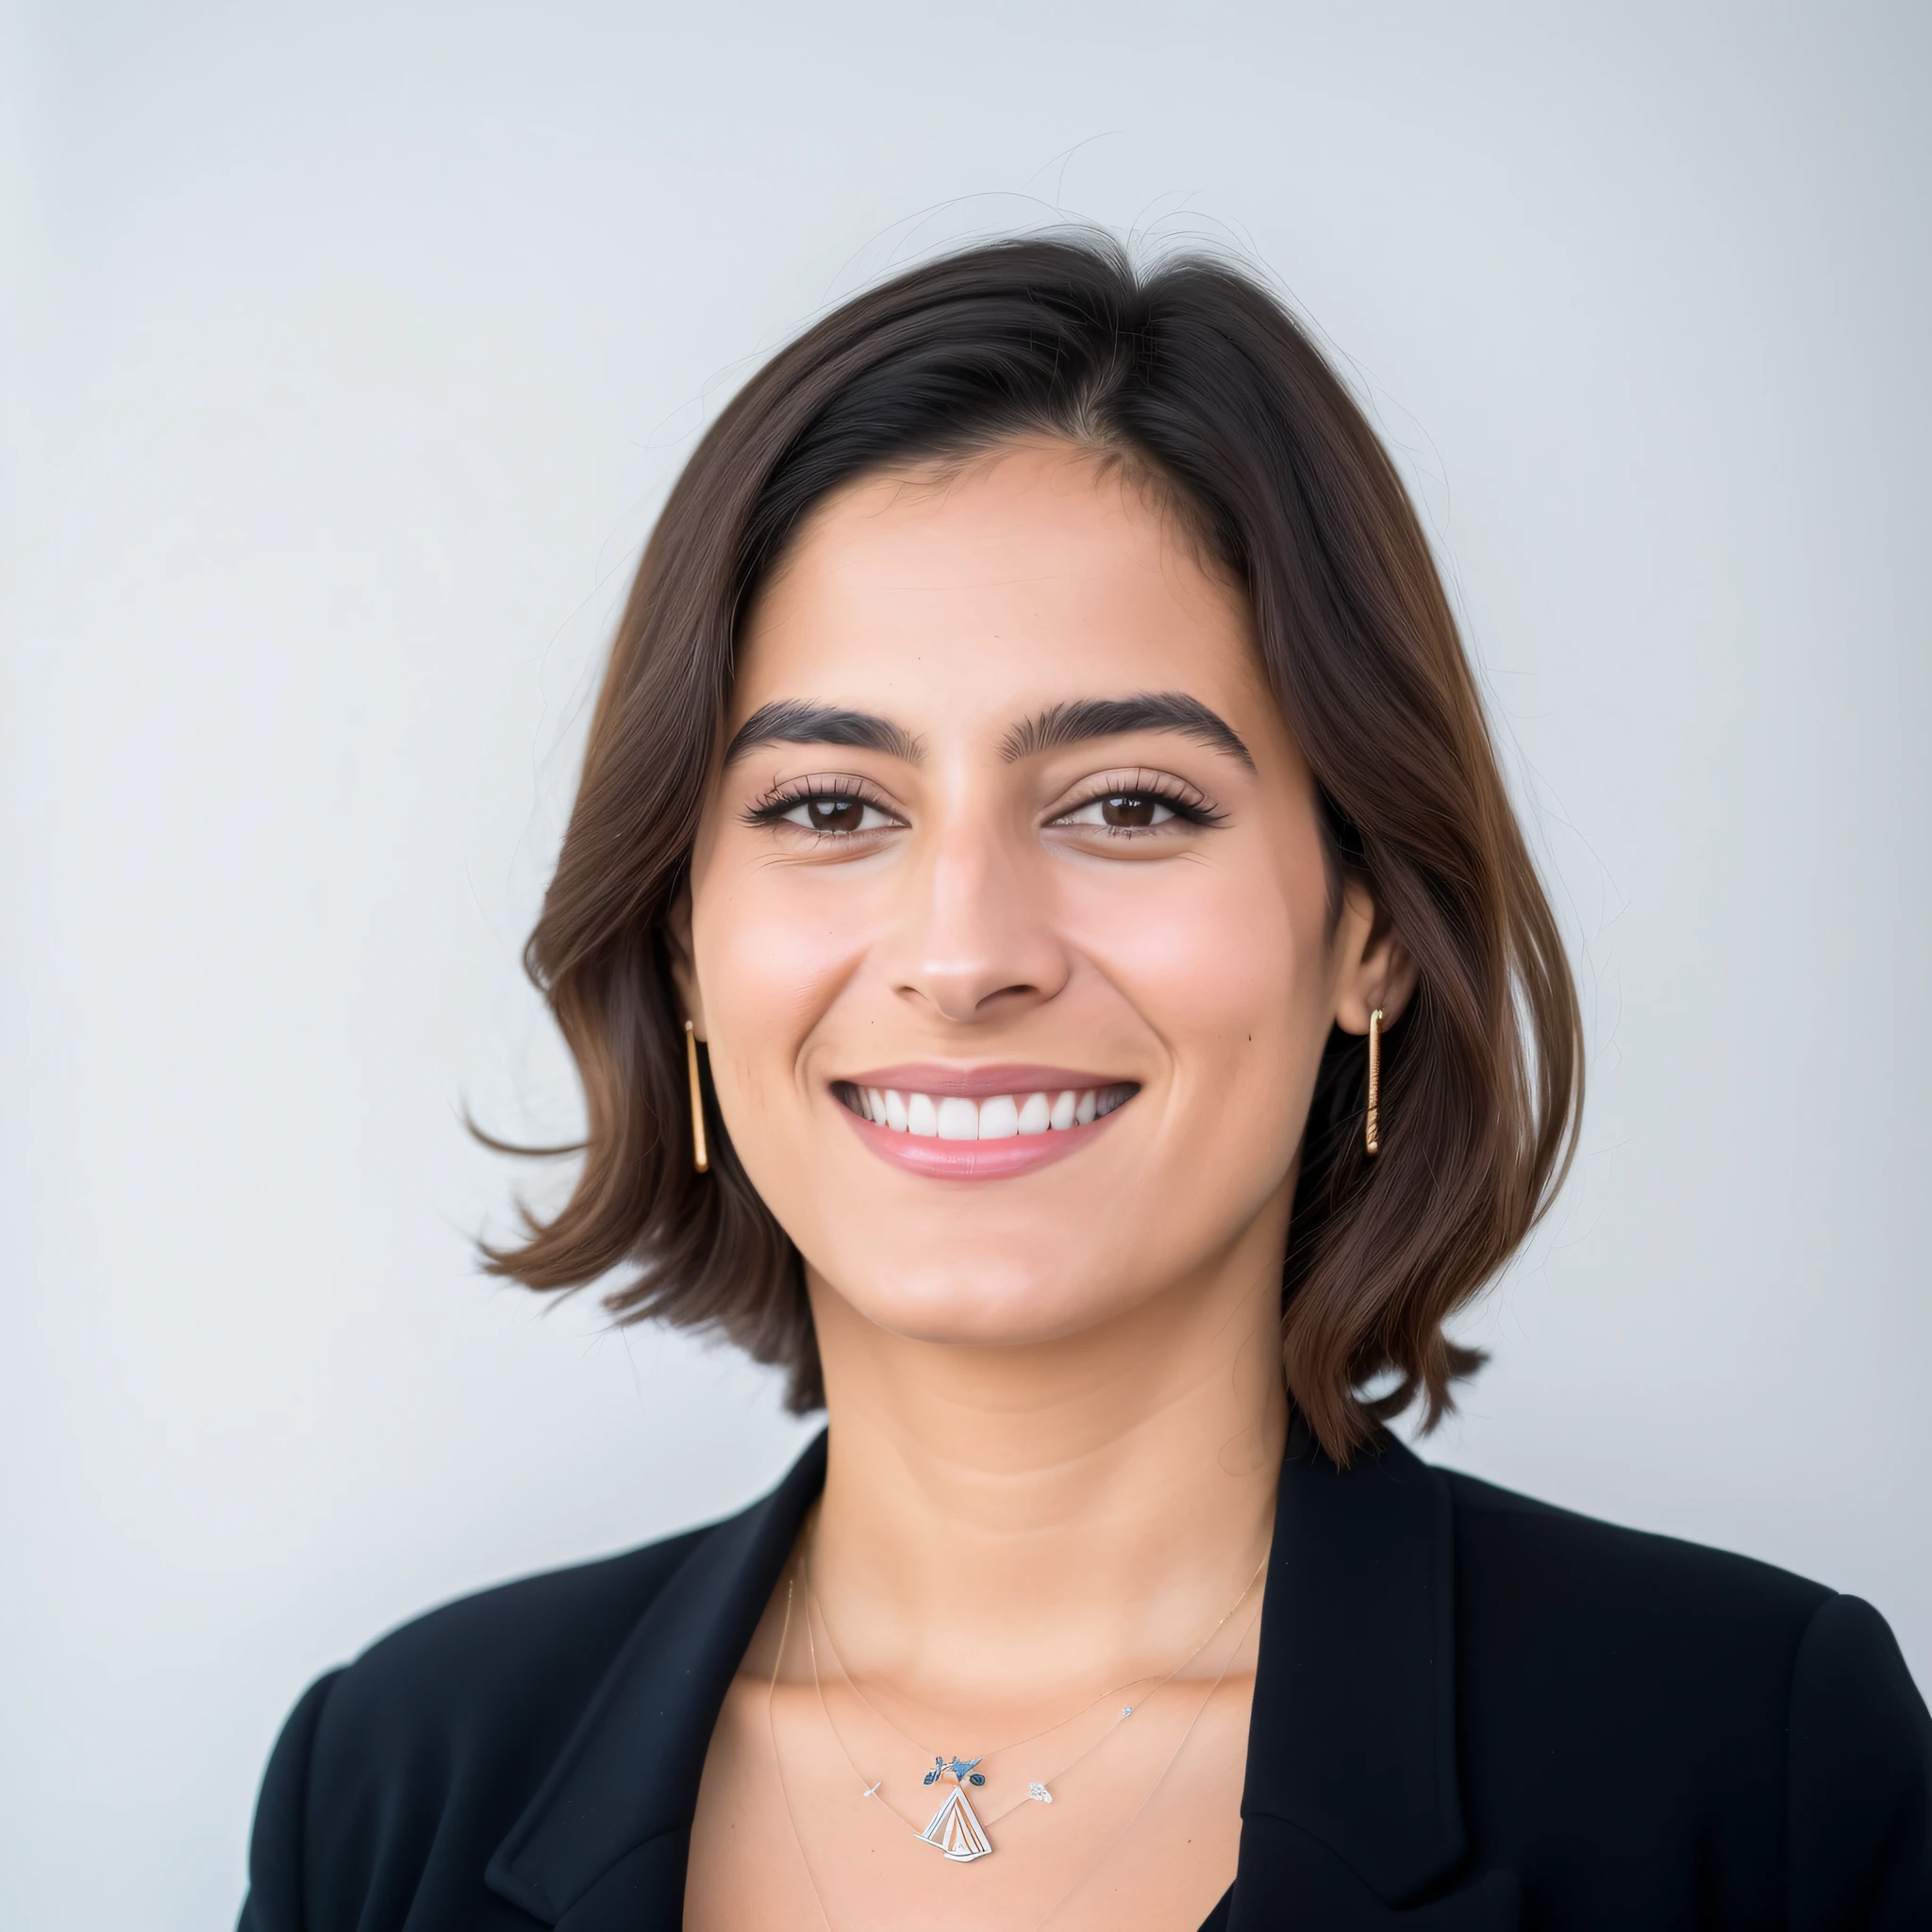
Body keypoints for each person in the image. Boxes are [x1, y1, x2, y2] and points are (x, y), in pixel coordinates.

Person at [238, 236, 1932, 1932]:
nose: (965, 954)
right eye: (830, 807)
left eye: (1128, 804)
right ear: (685, 948)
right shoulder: (393, 1780)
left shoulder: (1756, 1764)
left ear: (1369, 930)